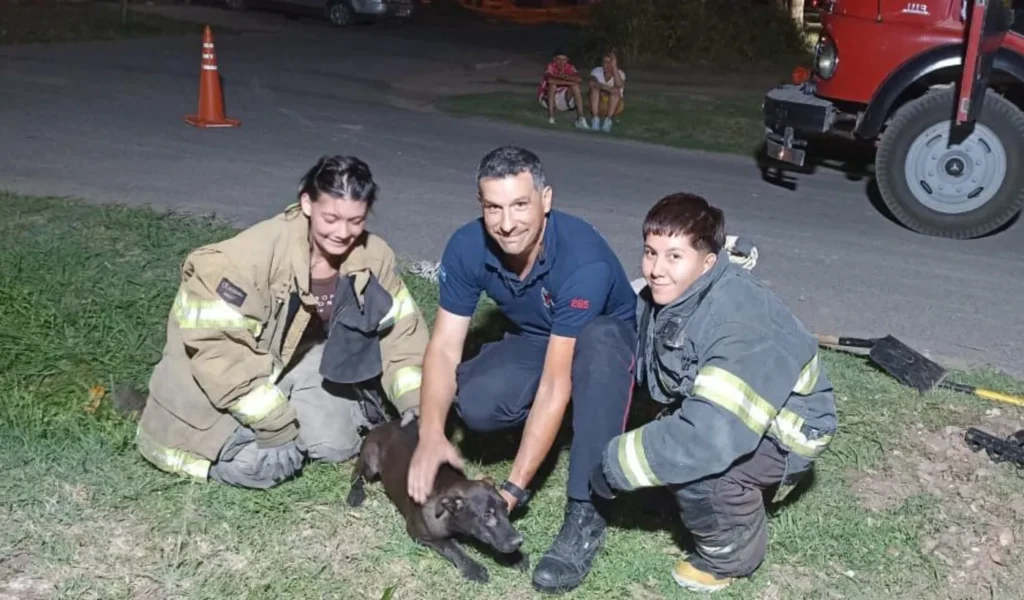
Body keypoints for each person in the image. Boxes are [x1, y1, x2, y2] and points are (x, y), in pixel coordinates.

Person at [406, 145, 638, 594]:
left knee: (594, 354)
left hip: (607, 345)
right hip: (540, 336)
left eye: (519, 205)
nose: (507, 223)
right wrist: (431, 433)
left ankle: (585, 510)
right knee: (475, 402)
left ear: (545, 199)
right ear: (481, 205)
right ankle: (550, 428)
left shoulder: (581, 260)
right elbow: (443, 348)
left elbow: (556, 383)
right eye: (493, 207)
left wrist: (512, 487)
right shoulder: (467, 246)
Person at [590, 193, 838, 593]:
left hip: (786, 430)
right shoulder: (677, 292)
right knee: (670, 446)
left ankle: (730, 556)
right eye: (650, 252)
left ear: (707, 262)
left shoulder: (740, 320)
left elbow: (710, 437)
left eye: (674, 256)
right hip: (723, 410)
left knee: (703, 470)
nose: (655, 269)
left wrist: (614, 465)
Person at [135, 155, 429, 489]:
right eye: (331, 218)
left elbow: (401, 336)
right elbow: (219, 356)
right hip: (210, 382)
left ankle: (291, 412)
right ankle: (215, 455)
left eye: (355, 221)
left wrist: (416, 404)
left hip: (294, 362)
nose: (343, 232)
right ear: (306, 202)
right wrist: (275, 424)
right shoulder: (239, 262)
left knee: (336, 445)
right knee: (264, 467)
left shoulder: (374, 257)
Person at [537, 49, 589, 129]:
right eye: (559, 59)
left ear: (567, 60)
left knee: (575, 87)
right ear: (554, 59)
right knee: (552, 85)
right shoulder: (550, 66)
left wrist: (566, 77)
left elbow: (579, 79)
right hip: (547, 98)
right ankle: (551, 118)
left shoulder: (569, 67)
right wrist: (568, 82)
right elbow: (550, 80)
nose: (561, 62)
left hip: (563, 98)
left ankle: (580, 118)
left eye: (564, 59)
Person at [587, 50, 626, 133]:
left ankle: (608, 121)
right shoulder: (596, 71)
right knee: (594, 90)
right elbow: (592, 83)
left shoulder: (620, 73)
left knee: (615, 94)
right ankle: (595, 119)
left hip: (614, 106)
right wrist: (609, 89)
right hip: (598, 104)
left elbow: (619, 85)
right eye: (605, 62)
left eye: (609, 62)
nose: (606, 65)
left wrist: (614, 68)